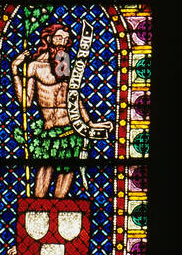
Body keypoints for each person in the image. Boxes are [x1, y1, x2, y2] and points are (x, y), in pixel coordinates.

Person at [11, 23, 112, 199]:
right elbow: (25, 103)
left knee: (62, 194)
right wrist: (14, 70)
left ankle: (60, 222)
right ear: (48, 39)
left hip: (72, 130)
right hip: (50, 132)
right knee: (41, 189)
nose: (62, 43)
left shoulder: (63, 62)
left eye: (66, 39)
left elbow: (72, 95)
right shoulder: (34, 66)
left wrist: (89, 123)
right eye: (58, 38)